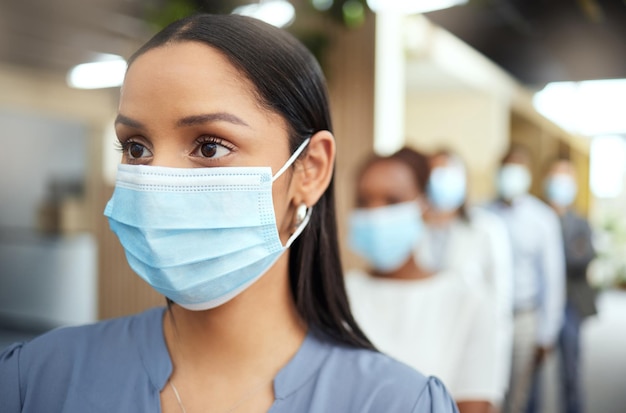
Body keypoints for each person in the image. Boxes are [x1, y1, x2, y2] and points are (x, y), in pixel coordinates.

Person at [0, 14, 458, 412]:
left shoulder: (398, 403)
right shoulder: (38, 379)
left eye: (210, 146)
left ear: (310, 170)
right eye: (136, 147)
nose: (157, 184)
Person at [345, 147, 501, 413]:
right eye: (364, 201)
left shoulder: (467, 301)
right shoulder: (338, 293)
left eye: (392, 201)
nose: (375, 213)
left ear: (425, 206)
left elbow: (473, 404)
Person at [419, 149, 515, 407]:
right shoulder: (412, 230)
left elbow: (499, 311)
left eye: (449, 173)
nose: (442, 180)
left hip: (474, 354)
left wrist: (492, 387)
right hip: (425, 352)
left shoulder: (487, 230)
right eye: (435, 173)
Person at [485, 145, 566, 413]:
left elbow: (552, 279)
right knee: (485, 392)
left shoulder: (542, 218)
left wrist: (547, 333)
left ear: (528, 175)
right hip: (487, 317)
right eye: (507, 168)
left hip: (523, 318)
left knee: (516, 399)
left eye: (518, 169)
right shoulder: (481, 214)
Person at [543, 158, 596, 413]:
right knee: (530, 376)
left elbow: (582, 258)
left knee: (571, 372)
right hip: (538, 303)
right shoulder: (537, 216)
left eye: (566, 177)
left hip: (570, 304)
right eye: (556, 176)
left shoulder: (579, 222)